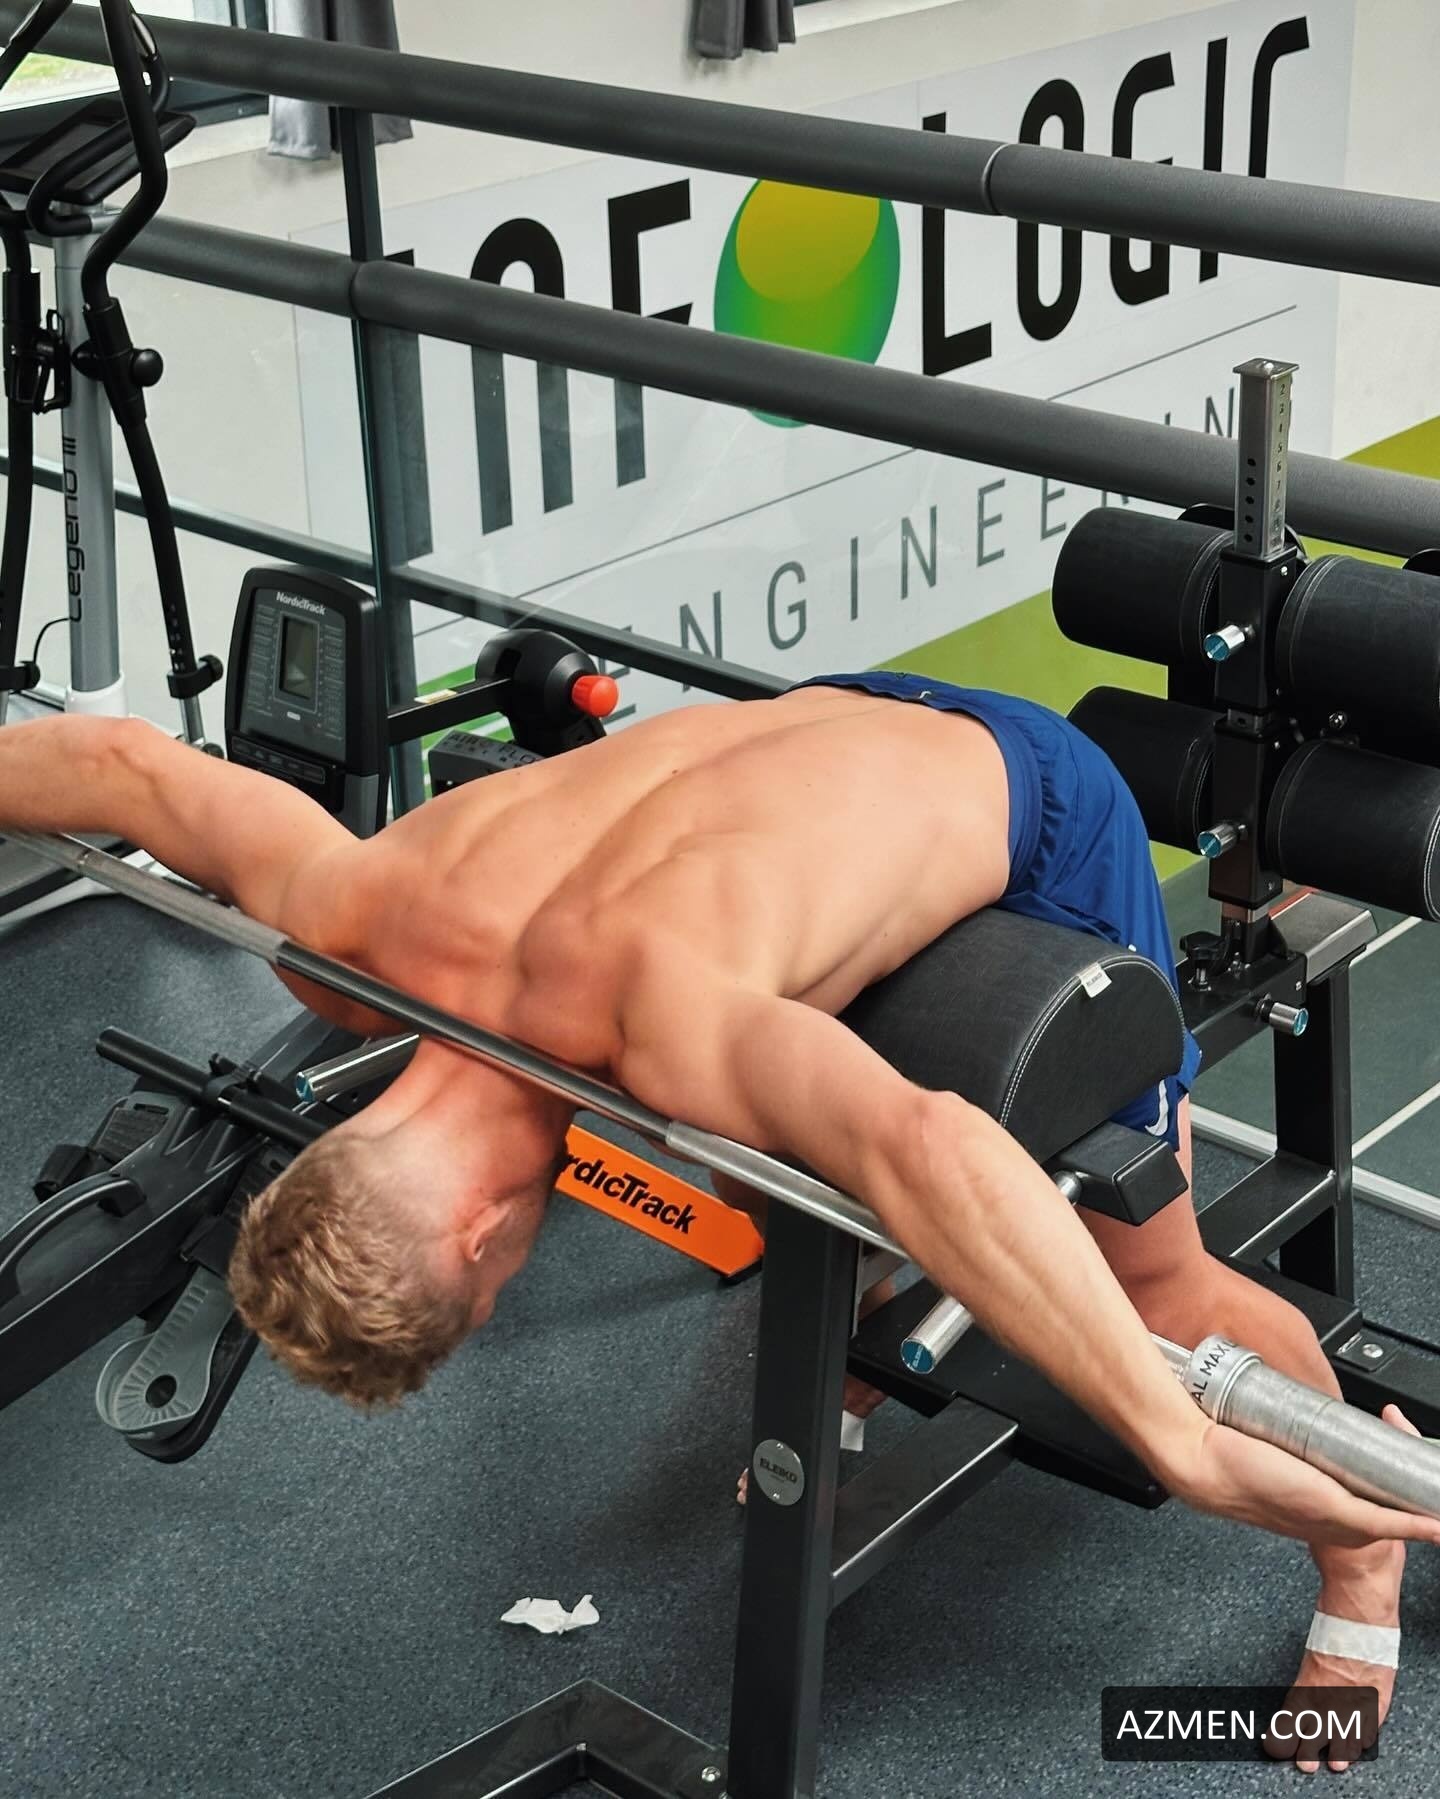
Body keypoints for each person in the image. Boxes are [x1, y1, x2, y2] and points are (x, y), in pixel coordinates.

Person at [0, 675, 1430, 1772]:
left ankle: (1361, 1559)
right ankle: (873, 1328)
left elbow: (935, 1145)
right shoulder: (347, 924)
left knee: (1155, 1282)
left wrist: (1180, 1438)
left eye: (489, 1296)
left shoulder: (668, 1029)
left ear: (484, 1237)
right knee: (756, 1141)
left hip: (1038, 794)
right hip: (834, 718)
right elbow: (123, 767)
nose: (505, 1288)